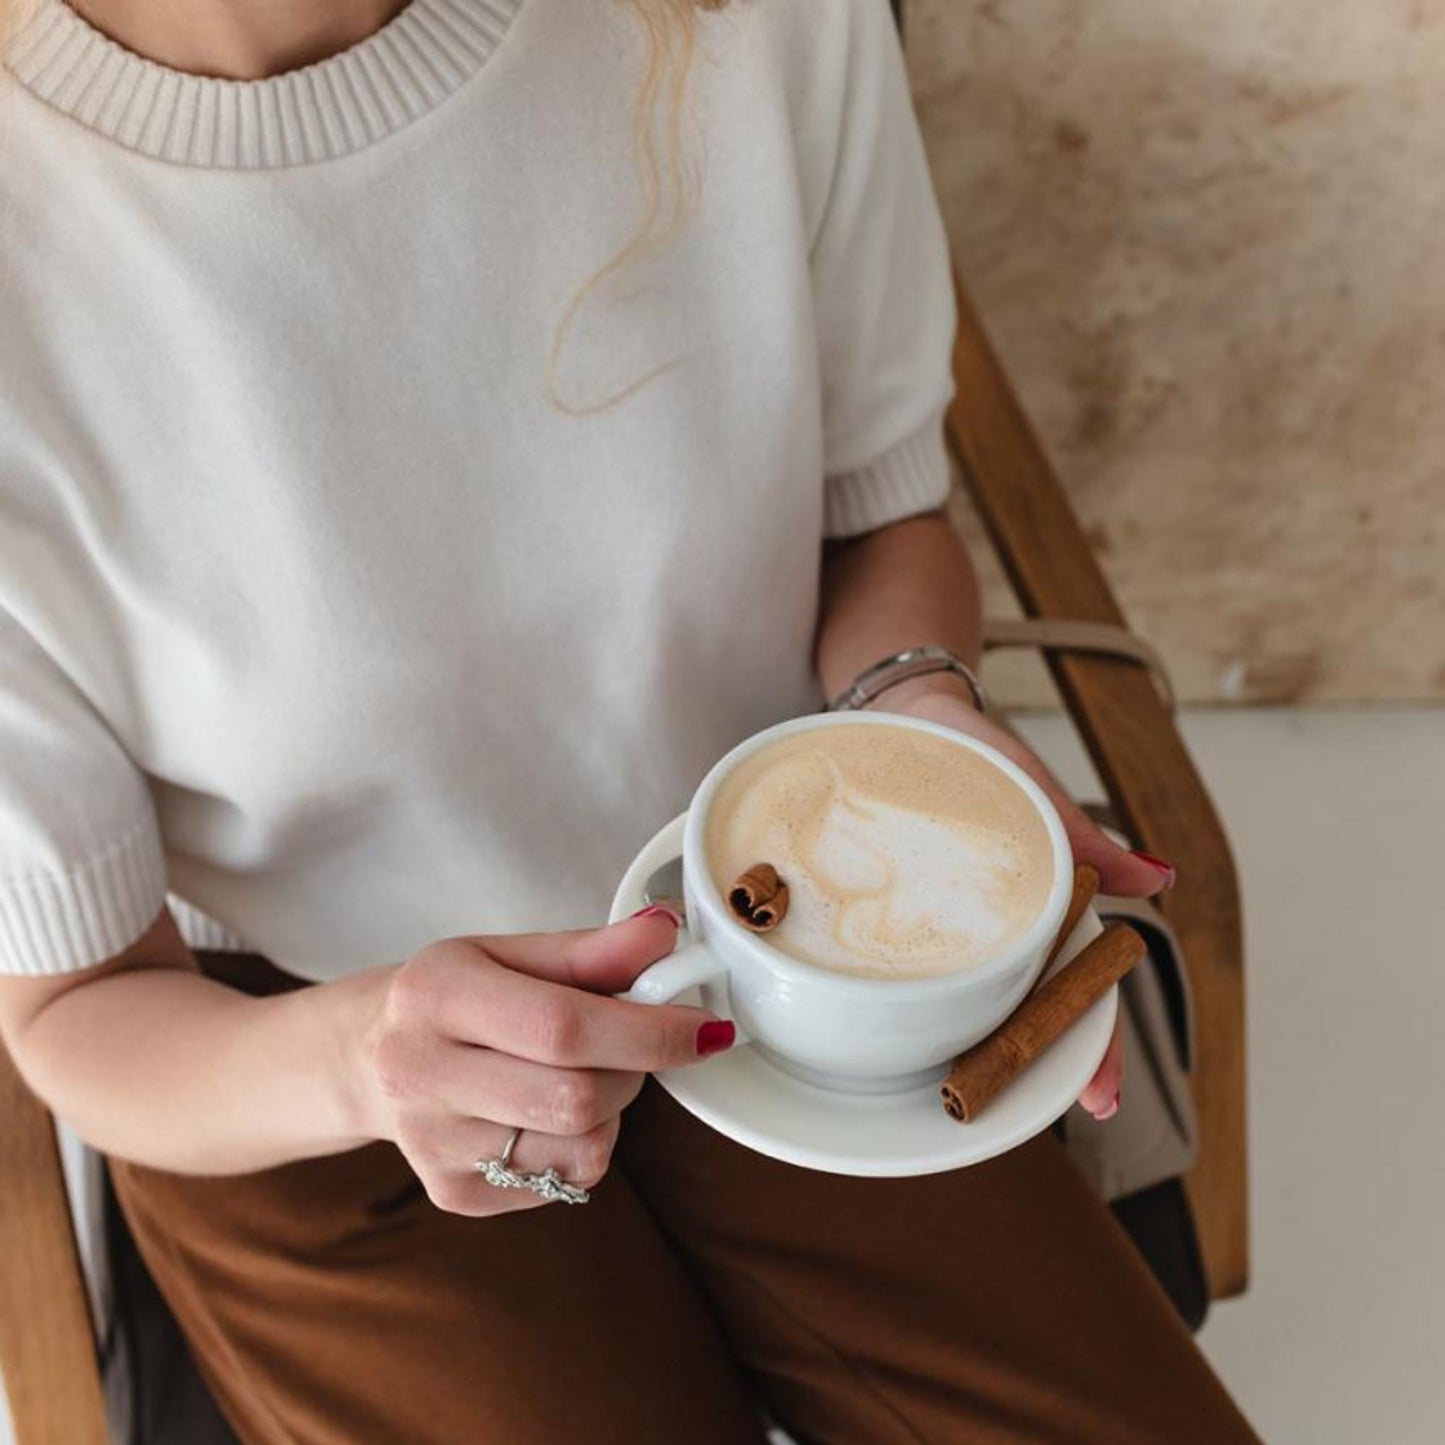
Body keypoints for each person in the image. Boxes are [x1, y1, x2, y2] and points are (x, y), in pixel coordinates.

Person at [0, 0, 1261, 1439]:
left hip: (784, 941)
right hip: (301, 1050)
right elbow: (72, 1007)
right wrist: (363, 1058)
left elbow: (877, 519)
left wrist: (911, 707)